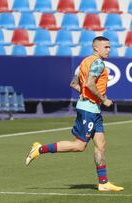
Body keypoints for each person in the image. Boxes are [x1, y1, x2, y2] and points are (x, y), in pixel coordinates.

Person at [25, 36, 124, 192]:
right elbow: (90, 83)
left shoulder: (84, 62)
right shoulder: (98, 63)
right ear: (96, 48)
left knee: (101, 144)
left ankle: (103, 182)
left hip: (92, 108)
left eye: (109, 47)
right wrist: (103, 99)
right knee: (79, 146)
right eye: (106, 47)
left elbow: (73, 84)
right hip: (89, 110)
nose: (109, 50)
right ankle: (39, 149)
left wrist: (85, 95)